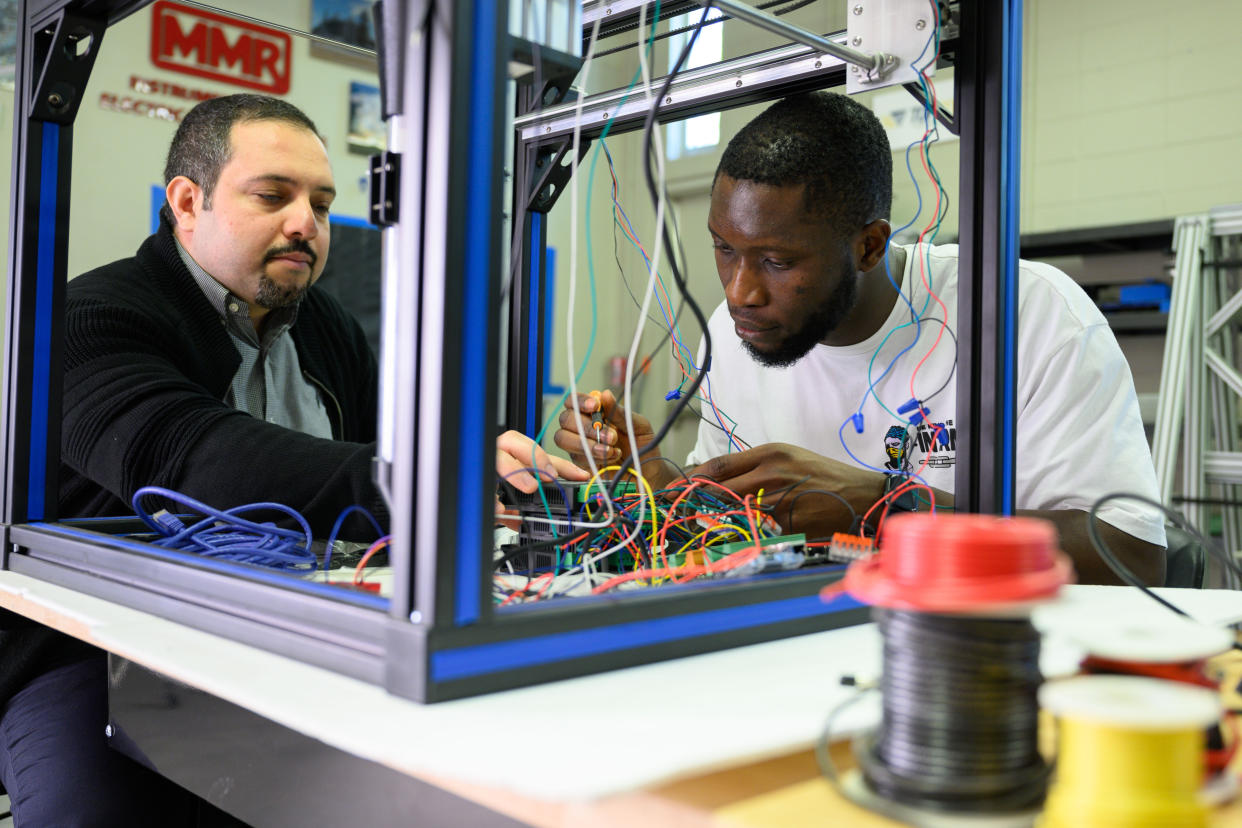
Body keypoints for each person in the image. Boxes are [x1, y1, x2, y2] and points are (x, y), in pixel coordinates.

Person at [0, 94, 585, 826]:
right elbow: (188, 463)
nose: (307, 223)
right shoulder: (92, 317)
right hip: (96, 654)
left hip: (300, 629)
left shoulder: (329, 329)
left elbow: (394, 450)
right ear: (188, 202)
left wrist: (510, 460)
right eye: (274, 195)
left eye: (321, 200)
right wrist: (425, 481)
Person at [554, 91, 1166, 587]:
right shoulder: (731, 331)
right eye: (724, 248)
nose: (741, 291)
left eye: (776, 260)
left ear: (869, 245)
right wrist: (661, 485)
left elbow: (1133, 557)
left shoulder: (1029, 313)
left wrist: (882, 503)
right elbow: (725, 529)